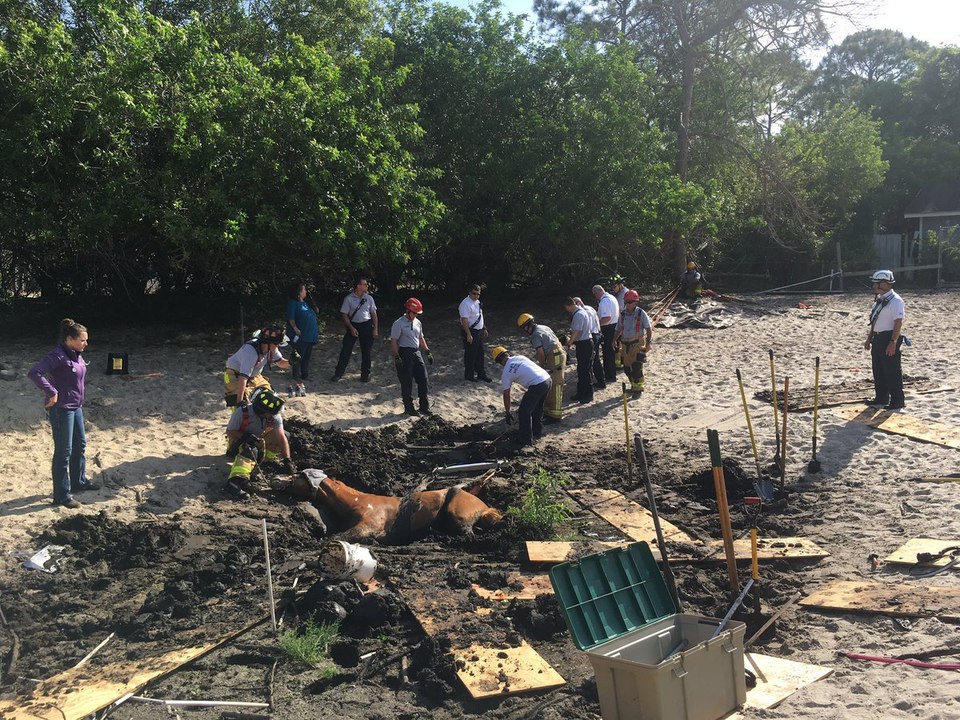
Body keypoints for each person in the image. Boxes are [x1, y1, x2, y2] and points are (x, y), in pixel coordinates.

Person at [28, 318, 98, 509]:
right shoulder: (58, 355)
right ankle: (61, 495)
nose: (86, 343)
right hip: (61, 411)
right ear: (69, 339)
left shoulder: (76, 354)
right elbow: (35, 372)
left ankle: (78, 482)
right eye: (82, 340)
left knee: (80, 444)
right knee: (63, 451)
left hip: (76, 407)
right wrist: (52, 392)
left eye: (86, 340)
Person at [225, 388, 296, 499]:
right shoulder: (242, 412)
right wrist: (245, 437)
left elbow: (281, 437)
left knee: (286, 435)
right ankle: (235, 481)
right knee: (251, 449)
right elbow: (229, 433)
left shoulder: (274, 415)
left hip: (259, 440)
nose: (271, 417)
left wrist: (288, 460)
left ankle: (263, 462)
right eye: (268, 414)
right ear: (260, 411)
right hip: (240, 443)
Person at [491, 346, 551, 447]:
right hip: (547, 379)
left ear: (499, 361)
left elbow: (506, 395)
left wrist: (507, 412)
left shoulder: (506, 372)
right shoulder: (520, 357)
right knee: (537, 409)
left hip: (537, 384)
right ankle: (537, 433)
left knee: (524, 411)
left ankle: (526, 440)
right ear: (507, 353)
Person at [863, 270, 906, 411]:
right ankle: (881, 397)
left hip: (889, 337)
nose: (875, 286)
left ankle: (897, 400)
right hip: (878, 337)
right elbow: (874, 321)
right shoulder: (879, 301)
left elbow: (898, 323)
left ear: (887, 284)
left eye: (878, 283)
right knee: (878, 369)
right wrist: (869, 338)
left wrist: (893, 342)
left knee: (891, 370)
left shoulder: (896, 301)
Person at [223, 323, 290, 407]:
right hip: (235, 375)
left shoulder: (271, 349)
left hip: (254, 376)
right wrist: (239, 402)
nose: (277, 346)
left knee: (269, 397)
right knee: (242, 404)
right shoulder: (251, 352)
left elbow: (281, 363)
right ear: (269, 343)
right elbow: (242, 378)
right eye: (276, 344)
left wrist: (292, 361)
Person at [517, 313, 565, 422]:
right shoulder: (543, 327)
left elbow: (541, 353)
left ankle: (555, 416)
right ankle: (549, 411)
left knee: (555, 384)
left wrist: (541, 366)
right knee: (551, 383)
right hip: (559, 353)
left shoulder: (535, 335)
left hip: (554, 356)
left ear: (526, 327)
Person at [390, 297, 433, 416]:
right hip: (405, 353)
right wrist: (397, 357)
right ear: (408, 311)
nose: (415, 315)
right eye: (414, 313)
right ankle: (409, 407)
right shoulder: (398, 324)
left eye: (417, 313)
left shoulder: (418, 323)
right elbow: (393, 341)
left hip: (416, 352)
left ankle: (424, 406)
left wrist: (427, 351)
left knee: (423, 379)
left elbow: (420, 338)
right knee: (407, 381)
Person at [331, 277, 379, 382]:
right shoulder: (349, 298)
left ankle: (365, 375)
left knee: (366, 351)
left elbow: (374, 314)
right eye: (364, 284)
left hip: (366, 325)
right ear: (358, 286)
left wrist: (375, 328)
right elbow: (344, 315)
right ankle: (338, 373)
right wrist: (351, 328)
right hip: (353, 325)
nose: (367, 286)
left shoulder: (369, 298)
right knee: (346, 350)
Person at [614, 290, 653, 396]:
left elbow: (649, 330)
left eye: (630, 302)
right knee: (627, 368)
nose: (628, 304)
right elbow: (618, 329)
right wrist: (613, 340)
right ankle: (634, 385)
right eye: (626, 302)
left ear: (635, 302)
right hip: (625, 345)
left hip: (638, 344)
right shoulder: (622, 314)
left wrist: (648, 343)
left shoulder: (641, 313)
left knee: (637, 367)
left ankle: (638, 389)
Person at [285, 281, 319, 396]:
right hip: (300, 335)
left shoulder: (304, 303)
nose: (306, 291)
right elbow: (291, 318)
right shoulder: (292, 303)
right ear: (299, 292)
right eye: (304, 289)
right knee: (298, 355)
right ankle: (296, 375)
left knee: (307, 355)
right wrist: (295, 329)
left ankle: (305, 374)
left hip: (310, 335)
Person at [564, 297, 595, 403]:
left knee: (585, 370)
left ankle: (588, 394)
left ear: (569, 306)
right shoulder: (579, 312)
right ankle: (581, 392)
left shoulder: (579, 314)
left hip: (584, 344)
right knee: (581, 370)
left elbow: (576, 332)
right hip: (583, 343)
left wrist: (569, 344)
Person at [459, 284, 491, 382]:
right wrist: (468, 334)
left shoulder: (477, 302)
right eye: (474, 293)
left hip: (478, 331)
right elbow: (464, 320)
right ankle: (469, 375)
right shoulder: (465, 303)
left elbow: (480, 315)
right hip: (470, 330)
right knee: (470, 354)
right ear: (470, 292)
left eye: (478, 294)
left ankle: (481, 374)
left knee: (480, 353)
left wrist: (484, 328)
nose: (476, 296)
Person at [573, 297, 605, 389]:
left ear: (578, 303)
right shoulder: (590, 308)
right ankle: (600, 381)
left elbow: (588, 328)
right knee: (595, 360)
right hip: (597, 334)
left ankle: (593, 383)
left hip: (592, 336)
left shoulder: (584, 312)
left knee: (591, 362)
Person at [592, 284, 620, 383]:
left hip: (608, 328)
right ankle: (611, 374)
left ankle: (610, 376)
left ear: (598, 292)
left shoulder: (604, 301)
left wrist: (596, 325)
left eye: (594, 294)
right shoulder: (612, 297)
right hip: (615, 326)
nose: (595, 296)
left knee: (608, 353)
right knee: (611, 353)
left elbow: (606, 318)